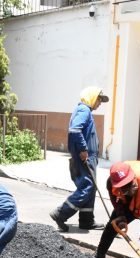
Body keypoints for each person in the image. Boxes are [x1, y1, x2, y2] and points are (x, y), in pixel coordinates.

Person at [49, 86, 108, 232]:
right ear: (92, 97)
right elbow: (75, 129)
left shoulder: (85, 111)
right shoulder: (84, 110)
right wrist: (83, 149)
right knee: (87, 188)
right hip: (85, 157)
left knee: (90, 188)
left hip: (88, 157)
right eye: (99, 100)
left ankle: (86, 221)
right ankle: (60, 213)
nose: (100, 103)